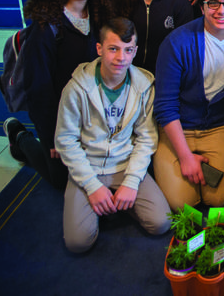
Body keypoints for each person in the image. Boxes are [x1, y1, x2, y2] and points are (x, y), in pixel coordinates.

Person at [54, 18, 171, 253]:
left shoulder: (144, 86)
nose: (121, 58)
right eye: (113, 49)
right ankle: (106, 199)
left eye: (128, 50)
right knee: (78, 243)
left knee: (161, 223)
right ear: (99, 49)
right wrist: (91, 186)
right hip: (89, 166)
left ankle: (120, 199)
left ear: (135, 51)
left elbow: (146, 138)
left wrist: (131, 182)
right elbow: (66, 141)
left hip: (124, 164)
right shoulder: (77, 88)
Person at [4, 0, 117, 189]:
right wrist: (52, 137)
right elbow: (39, 89)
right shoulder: (47, 28)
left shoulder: (100, 15)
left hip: (92, 113)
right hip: (59, 117)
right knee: (61, 182)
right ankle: (20, 137)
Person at [153, 0, 224, 210]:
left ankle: (203, 170)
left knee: (221, 199)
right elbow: (165, 107)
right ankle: (189, 163)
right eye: (213, 4)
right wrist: (186, 157)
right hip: (179, 128)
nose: (222, 10)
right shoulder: (177, 42)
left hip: (218, 126)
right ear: (202, 7)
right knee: (181, 203)